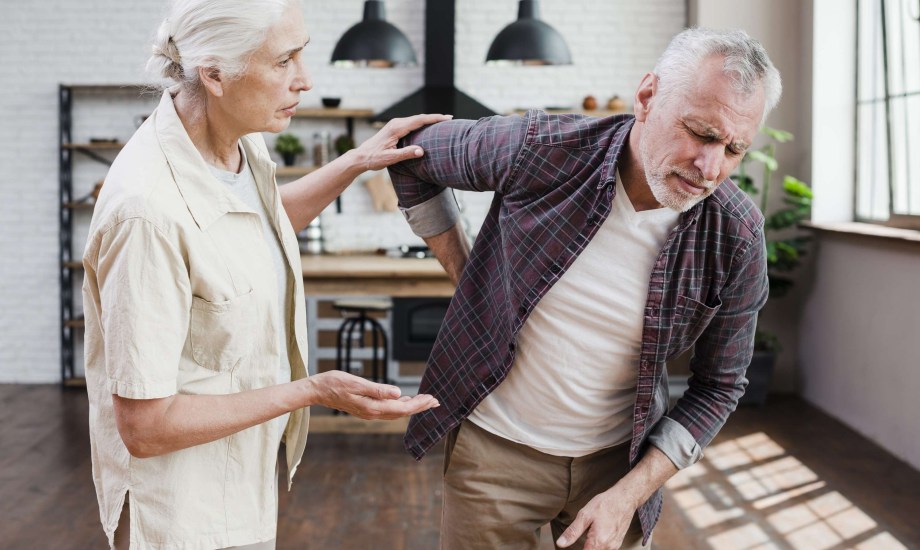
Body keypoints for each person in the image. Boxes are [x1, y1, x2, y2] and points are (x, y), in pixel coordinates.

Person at [388, 28, 782, 550]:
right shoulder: (542, 148)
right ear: (647, 98)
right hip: (494, 455)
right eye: (701, 133)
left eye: (734, 149)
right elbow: (409, 153)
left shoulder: (737, 234)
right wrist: (467, 278)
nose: (711, 168)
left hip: (618, 467)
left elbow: (720, 386)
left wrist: (628, 495)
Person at [81, 1, 445, 548]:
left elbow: (259, 224)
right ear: (215, 74)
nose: (305, 80)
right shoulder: (146, 214)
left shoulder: (237, 144)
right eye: (284, 61)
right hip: (182, 514)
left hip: (241, 484)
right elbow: (145, 427)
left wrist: (353, 162)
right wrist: (312, 391)